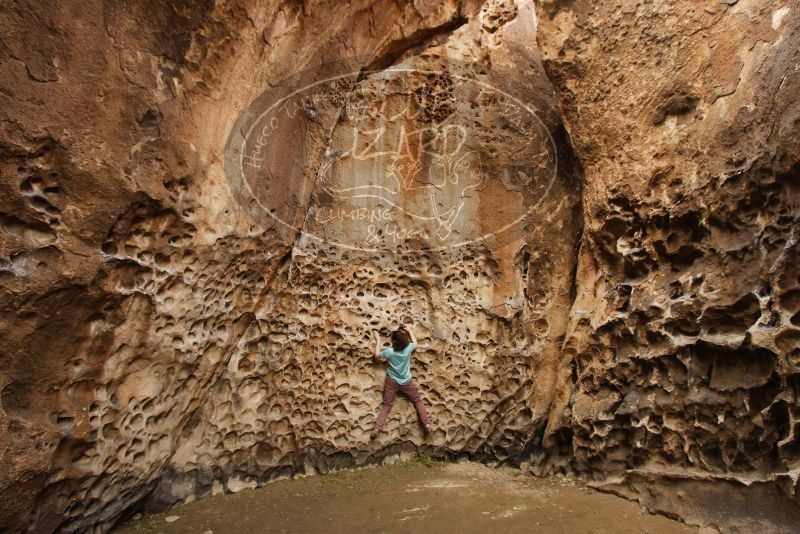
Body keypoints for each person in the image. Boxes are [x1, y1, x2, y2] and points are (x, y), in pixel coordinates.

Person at [370, 326, 432, 439]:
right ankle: (426, 424)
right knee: (418, 401)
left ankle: (376, 428)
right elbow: (415, 343)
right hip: (406, 381)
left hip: (392, 381)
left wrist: (378, 340)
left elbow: (377, 357)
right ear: (404, 340)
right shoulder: (408, 348)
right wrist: (409, 331)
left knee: (387, 406)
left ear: (393, 341)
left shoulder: (390, 352)